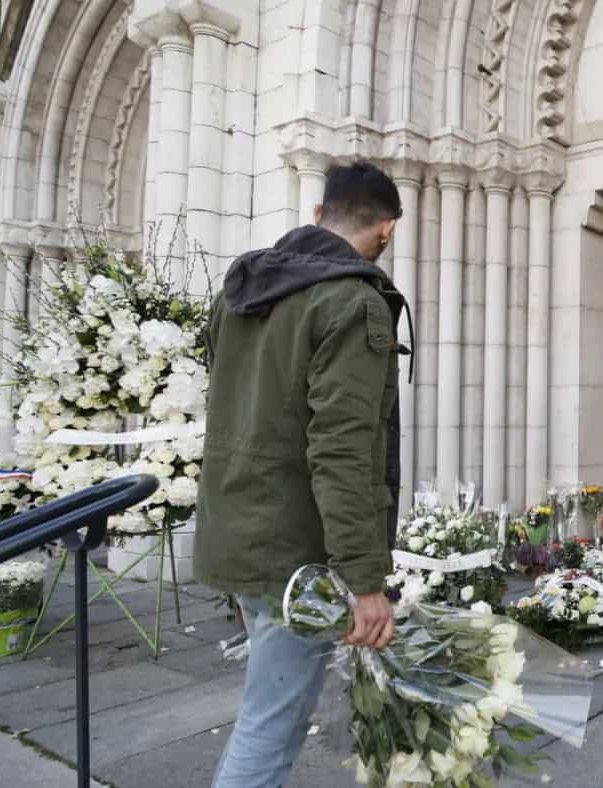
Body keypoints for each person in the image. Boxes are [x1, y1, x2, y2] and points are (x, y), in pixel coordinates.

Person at [196, 161, 409, 787]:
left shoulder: (241, 292)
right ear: (386, 230)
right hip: (295, 552)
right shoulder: (350, 300)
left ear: (318, 215)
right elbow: (341, 450)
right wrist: (366, 582)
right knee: (271, 724)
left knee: (268, 710)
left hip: (237, 534)